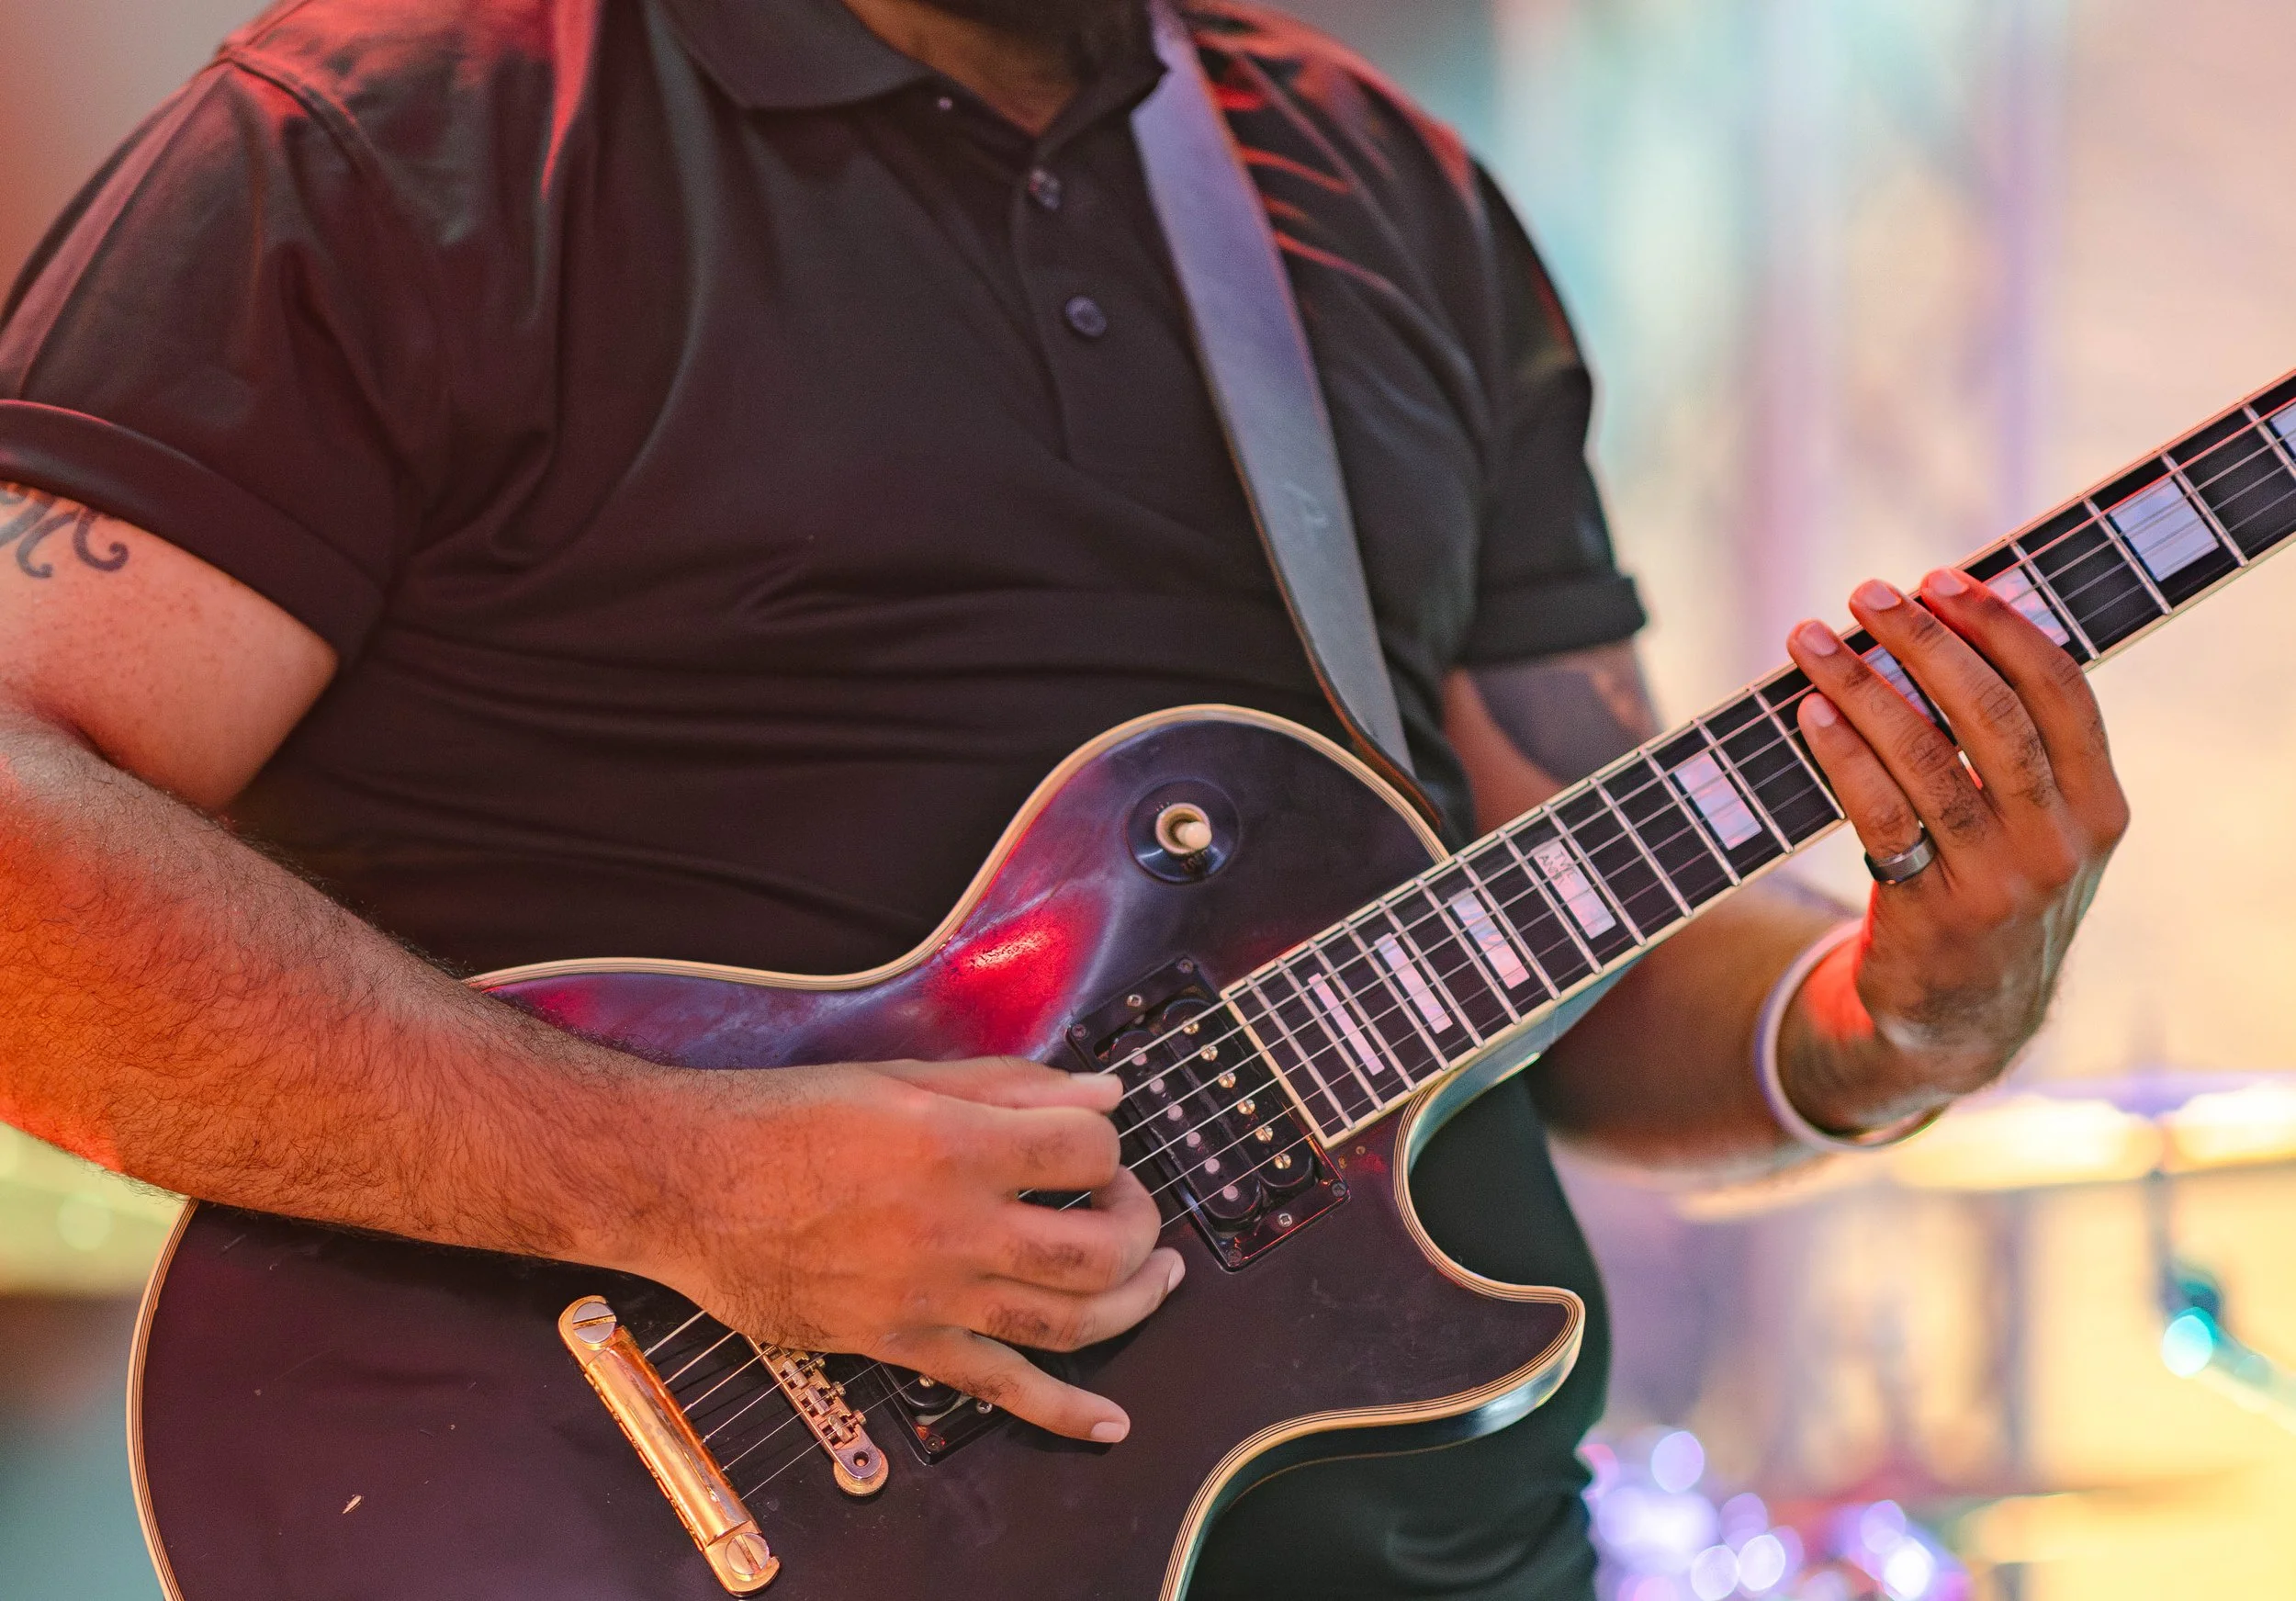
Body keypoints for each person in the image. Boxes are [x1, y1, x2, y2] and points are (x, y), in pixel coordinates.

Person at [0, 0, 2126, 1594]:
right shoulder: (395, 143)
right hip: (629, 1505)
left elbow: (1576, 949)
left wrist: (1900, 1012)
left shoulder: (1381, 189)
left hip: (1442, 1548)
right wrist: (666, 1182)